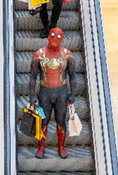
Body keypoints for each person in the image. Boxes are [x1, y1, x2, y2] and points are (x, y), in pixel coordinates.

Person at [29, 28, 76, 159]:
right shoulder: (38, 54)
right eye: (53, 36)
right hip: (45, 92)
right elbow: (32, 77)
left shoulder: (67, 55)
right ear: (49, 36)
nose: (55, 39)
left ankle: (61, 146)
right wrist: (32, 96)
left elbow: (73, 76)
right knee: (43, 121)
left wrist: (73, 94)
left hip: (61, 92)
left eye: (59, 37)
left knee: (61, 121)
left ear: (63, 38)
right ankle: (41, 147)